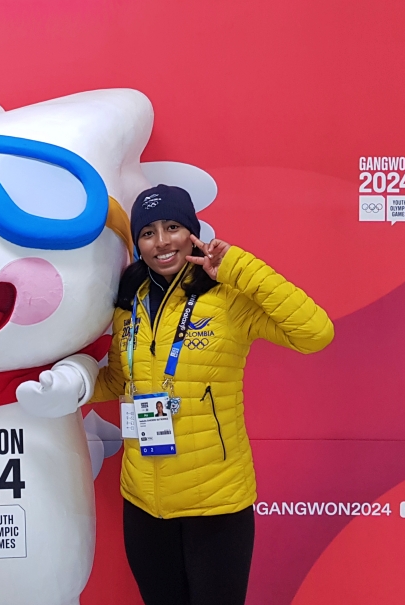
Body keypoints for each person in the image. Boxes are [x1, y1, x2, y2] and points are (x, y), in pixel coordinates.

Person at [89, 184, 334, 605]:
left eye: (173, 227)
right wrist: (68, 386)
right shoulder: (130, 301)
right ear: (138, 243)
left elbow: (315, 333)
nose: (162, 241)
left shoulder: (228, 299)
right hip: (145, 502)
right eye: (148, 232)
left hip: (216, 503)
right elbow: (118, 381)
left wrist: (237, 267)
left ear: (193, 232)